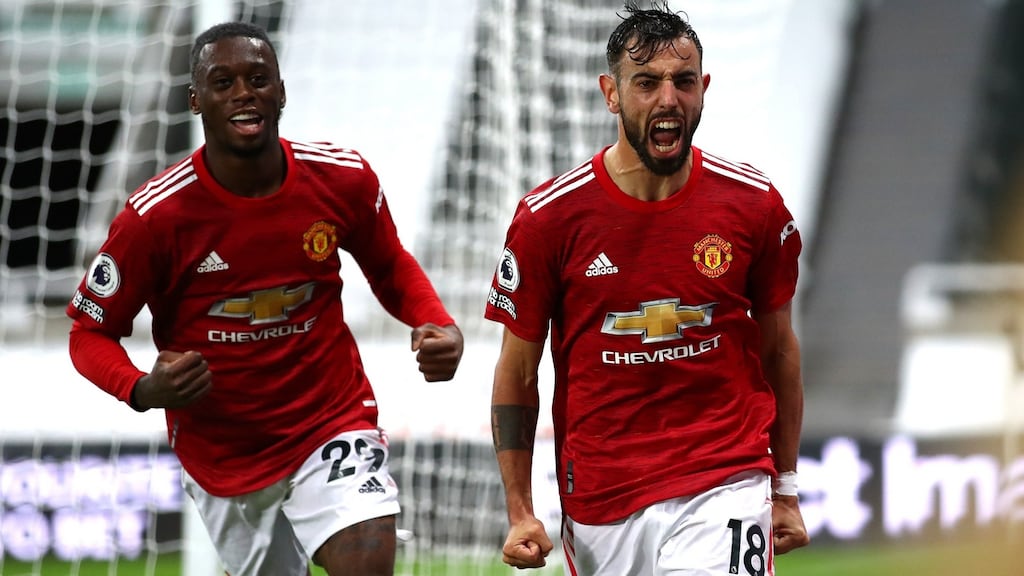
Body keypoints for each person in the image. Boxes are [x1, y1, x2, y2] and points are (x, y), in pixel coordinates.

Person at [66, 21, 464, 576]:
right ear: (195, 100)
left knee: (368, 560)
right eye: (222, 82)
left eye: (258, 78)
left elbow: (390, 262)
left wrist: (435, 321)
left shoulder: (341, 179)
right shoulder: (154, 218)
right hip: (224, 449)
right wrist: (142, 389)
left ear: (281, 90)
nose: (243, 93)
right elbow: (88, 333)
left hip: (330, 419)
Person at [485, 2, 809, 574]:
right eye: (647, 83)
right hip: (602, 501)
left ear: (703, 88)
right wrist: (520, 509)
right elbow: (517, 372)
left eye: (684, 82)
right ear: (611, 93)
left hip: (724, 478)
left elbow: (779, 348)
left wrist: (784, 485)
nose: (668, 100)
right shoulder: (548, 219)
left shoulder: (753, 206)